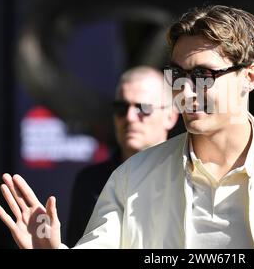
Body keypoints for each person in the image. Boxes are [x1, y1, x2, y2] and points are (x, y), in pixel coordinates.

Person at [0, 5, 254, 248]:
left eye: (204, 74)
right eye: (178, 74)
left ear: (250, 77)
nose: (187, 91)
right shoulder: (130, 180)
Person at [66, 66, 179, 246]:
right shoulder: (90, 182)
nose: (130, 117)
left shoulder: (190, 178)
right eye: (121, 107)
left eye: (143, 107)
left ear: (171, 116)